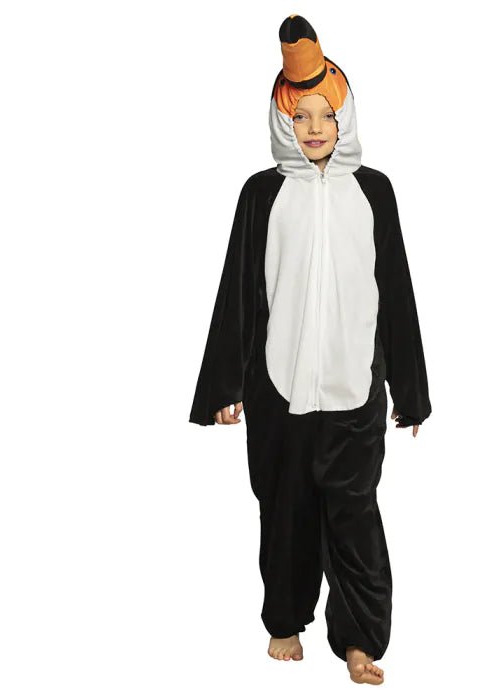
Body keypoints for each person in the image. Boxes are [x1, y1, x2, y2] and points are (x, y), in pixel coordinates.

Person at [188, 14, 431, 685]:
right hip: (280, 388)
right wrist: (224, 386)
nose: (315, 128)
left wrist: (409, 390)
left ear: (345, 117)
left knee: (355, 516)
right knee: (286, 511)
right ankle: (286, 620)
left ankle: (358, 639)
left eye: (327, 114)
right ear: (282, 121)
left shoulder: (373, 191)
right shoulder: (262, 194)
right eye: (301, 116)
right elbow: (239, 291)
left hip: (355, 388)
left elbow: (395, 291)